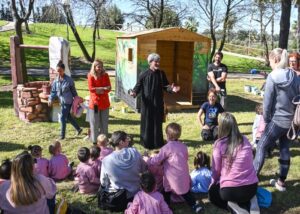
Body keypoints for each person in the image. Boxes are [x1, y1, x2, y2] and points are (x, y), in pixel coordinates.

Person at [253, 48, 300, 191]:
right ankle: (281, 182)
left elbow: (267, 104)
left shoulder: (273, 76)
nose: (270, 64)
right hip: (291, 122)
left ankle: (252, 179)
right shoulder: (294, 75)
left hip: (277, 121)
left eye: (270, 61)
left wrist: (266, 121)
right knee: (285, 149)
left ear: (275, 60)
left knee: (261, 146)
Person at [145, 123, 202, 213]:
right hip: (183, 175)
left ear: (167, 135)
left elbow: (156, 160)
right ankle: (194, 205)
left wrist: (149, 160)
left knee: (166, 192)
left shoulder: (166, 148)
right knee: (186, 193)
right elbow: (185, 158)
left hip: (170, 178)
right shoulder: (183, 146)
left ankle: (167, 207)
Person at [208, 112, 259, 213]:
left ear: (221, 127)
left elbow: (216, 171)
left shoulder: (219, 144)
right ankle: (250, 202)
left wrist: (212, 183)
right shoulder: (245, 140)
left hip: (230, 191)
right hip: (252, 188)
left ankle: (234, 207)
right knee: (243, 193)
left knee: (212, 194)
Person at [129, 53, 180, 149]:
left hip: (158, 103)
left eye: (158, 61)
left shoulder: (161, 73)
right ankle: (146, 143)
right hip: (147, 105)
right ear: (150, 62)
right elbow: (137, 87)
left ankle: (158, 143)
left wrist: (172, 89)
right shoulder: (143, 74)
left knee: (157, 123)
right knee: (147, 123)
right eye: (156, 61)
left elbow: (166, 86)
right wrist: (134, 93)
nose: (158, 63)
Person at [100, 131, 147, 211]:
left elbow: (103, 182)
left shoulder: (106, 160)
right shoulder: (134, 152)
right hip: (135, 193)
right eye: (127, 139)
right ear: (121, 142)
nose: (129, 140)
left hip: (117, 197)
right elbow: (144, 169)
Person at [48, 60, 82, 140]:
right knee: (68, 117)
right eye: (57, 71)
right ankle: (79, 129)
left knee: (63, 117)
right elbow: (53, 91)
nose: (59, 72)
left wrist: (77, 101)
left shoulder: (69, 80)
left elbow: (74, 92)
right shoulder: (56, 81)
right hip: (62, 102)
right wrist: (50, 99)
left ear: (63, 70)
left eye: (60, 71)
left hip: (68, 101)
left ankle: (62, 136)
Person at [87, 59, 111, 144]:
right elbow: (91, 89)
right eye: (98, 67)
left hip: (105, 103)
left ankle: (104, 140)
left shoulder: (106, 75)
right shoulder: (90, 75)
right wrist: (103, 89)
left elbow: (109, 88)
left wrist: (99, 90)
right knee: (95, 123)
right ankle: (94, 141)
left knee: (104, 123)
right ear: (94, 67)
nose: (100, 68)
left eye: (101, 66)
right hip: (95, 104)